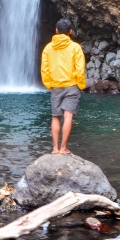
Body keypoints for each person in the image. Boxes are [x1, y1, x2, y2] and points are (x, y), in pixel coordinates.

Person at [41, 18, 86, 155]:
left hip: (56, 86)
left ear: (56, 31)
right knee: (68, 117)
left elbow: (45, 69)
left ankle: (55, 149)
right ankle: (63, 148)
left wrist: (49, 84)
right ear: (70, 32)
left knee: (55, 116)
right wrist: (81, 85)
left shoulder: (48, 48)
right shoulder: (75, 47)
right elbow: (80, 68)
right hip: (72, 85)